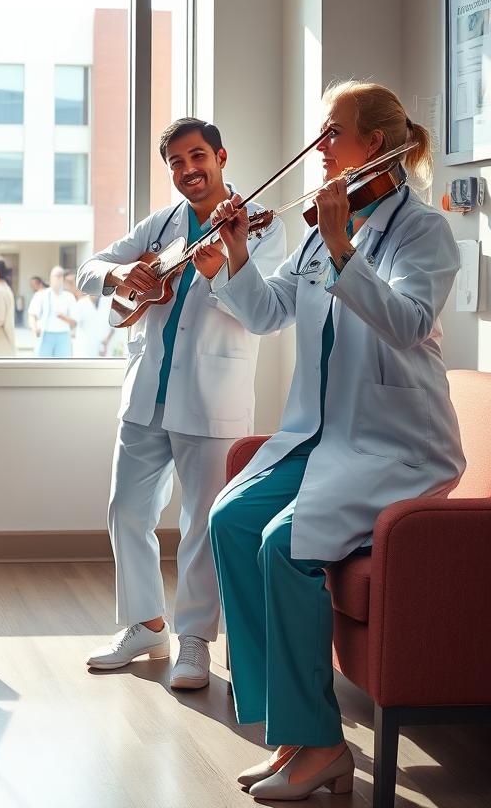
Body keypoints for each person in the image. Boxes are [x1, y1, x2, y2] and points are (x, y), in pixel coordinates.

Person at [201, 82, 464, 798]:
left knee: (284, 547)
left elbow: (409, 321)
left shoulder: (421, 230)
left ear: (373, 144)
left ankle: (322, 745)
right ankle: (290, 735)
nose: (318, 146)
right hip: (324, 435)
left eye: (331, 132)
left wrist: (347, 246)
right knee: (230, 521)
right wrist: (232, 258)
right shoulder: (322, 225)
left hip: (396, 443)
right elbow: (268, 311)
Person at [77, 117, 286, 689]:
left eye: (198, 157)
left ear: (221, 155)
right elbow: (86, 270)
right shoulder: (162, 223)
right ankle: (145, 624)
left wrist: (221, 272)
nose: (188, 170)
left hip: (213, 396)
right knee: (127, 512)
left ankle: (194, 639)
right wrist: (123, 273)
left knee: (201, 522)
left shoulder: (260, 228)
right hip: (147, 392)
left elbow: (262, 313)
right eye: (176, 162)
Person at [29, 265, 77, 357]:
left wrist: (64, 318)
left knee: (62, 367)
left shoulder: (69, 297)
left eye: (60, 276)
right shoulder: (41, 295)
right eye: (55, 276)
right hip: (45, 334)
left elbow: (74, 322)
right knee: (43, 365)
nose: (57, 279)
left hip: (64, 335)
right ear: (50, 278)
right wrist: (34, 328)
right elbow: (32, 314)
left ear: (63, 278)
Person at [66, 271, 111, 358]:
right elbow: (73, 322)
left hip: (102, 351)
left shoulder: (106, 303)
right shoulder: (81, 303)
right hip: (83, 350)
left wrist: (106, 342)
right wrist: (62, 317)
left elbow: (112, 327)